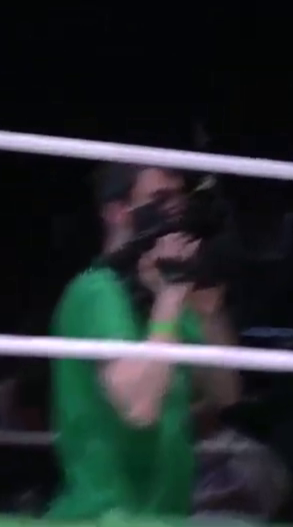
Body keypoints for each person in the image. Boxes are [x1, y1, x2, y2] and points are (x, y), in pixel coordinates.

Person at [48, 163, 242, 519]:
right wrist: (171, 295)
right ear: (118, 212)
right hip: (104, 515)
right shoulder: (96, 290)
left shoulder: (163, 294)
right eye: (160, 199)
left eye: (180, 199)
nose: (176, 210)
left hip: (165, 513)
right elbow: (140, 409)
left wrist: (207, 308)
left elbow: (225, 393)